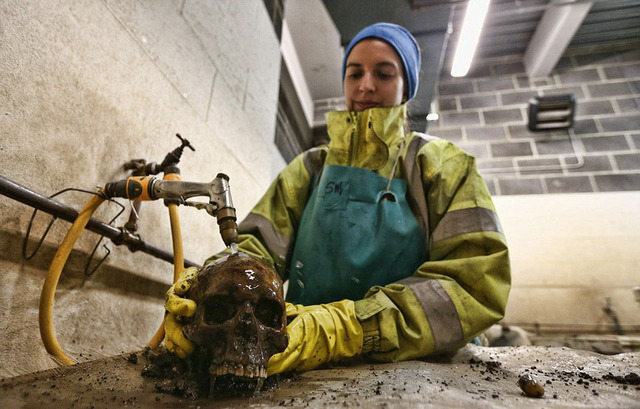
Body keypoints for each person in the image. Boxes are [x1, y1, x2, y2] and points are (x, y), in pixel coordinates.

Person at [164, 22, 510, 375]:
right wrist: (213, 279)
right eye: (354, 72)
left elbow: (473, 285)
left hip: (418, 367)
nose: (366, 85)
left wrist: (347, 329)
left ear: (407, 88)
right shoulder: (311, 168)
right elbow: (255, 248)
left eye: (384, 74)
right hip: (302, 360)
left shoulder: (443, 166)